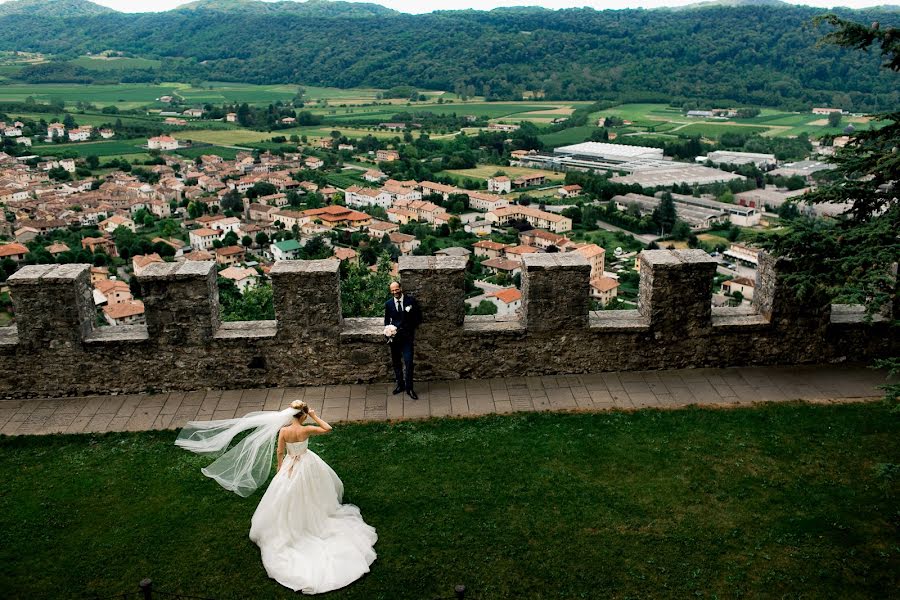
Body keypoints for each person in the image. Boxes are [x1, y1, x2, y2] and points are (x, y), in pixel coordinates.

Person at [176, 400, 377, 594]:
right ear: (304, 414)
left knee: (286, 496)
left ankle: (294, 523)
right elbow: (328, 429)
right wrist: (315, 417)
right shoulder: (306, 429)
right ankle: (315, 516)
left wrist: (281, 467)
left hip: (291, 466)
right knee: (315, 491)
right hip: (307, 463)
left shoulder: (284, 431)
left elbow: (280, 451)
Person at [384, 280, 422, 399]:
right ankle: (400, 385)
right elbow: (386, 321)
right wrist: (388, 332)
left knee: (409, 362)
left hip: (407, 338)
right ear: (391, 291)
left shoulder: (410, 301)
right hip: (394, 340)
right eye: (393, 290)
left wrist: (410, 328)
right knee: (396, 363)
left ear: (401, 288)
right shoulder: (388, 304)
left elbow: (418, 317)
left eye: (397, 289)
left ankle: (409, 388)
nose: (395, 292)